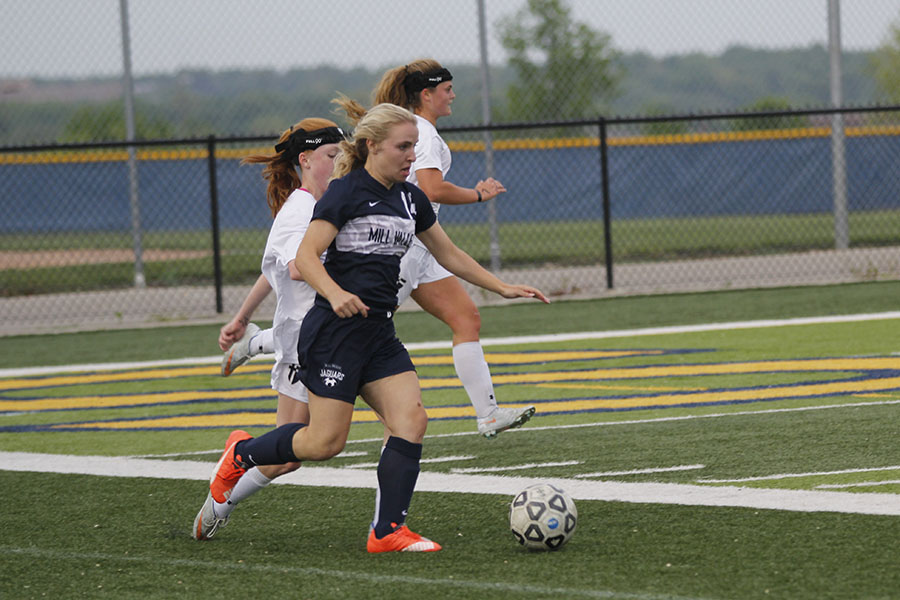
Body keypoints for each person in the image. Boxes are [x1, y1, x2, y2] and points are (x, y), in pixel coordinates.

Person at [204, 103, 549, 553]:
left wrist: (500, 286)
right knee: (324, 443)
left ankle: (386, 531)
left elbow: (448, 253)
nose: (411, 157)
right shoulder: (343, 194)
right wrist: (335, 292)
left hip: (378, 334)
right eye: (403, 147)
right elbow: (304, 259)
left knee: (412, 419)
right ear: (371, 147)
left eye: (414, 147)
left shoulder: (410, 198)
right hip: (334, 334)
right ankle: (242, 454)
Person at [222, 58, 536, 440]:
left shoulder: (398, 173)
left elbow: (439, 236)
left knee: (461, 324)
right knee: (309, 441)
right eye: (447, 88)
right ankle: (248, 436)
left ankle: (484, 415)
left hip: (411, 243)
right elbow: (291, 264)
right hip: (365, 280)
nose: (409, 154)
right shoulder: (324, 201)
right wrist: (476, 194)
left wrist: (500, 286)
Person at [192, 118, 345, 541]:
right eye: (333, 155)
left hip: (343, 334)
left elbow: (269, 272)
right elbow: (294, 268)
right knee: (288, 453)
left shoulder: (331, 202)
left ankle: (391, 522)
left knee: (404, 418)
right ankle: (229, 484)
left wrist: (241, 317)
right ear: (306, 159)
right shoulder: (298, 210)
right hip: (305, 342)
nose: (340, 161)